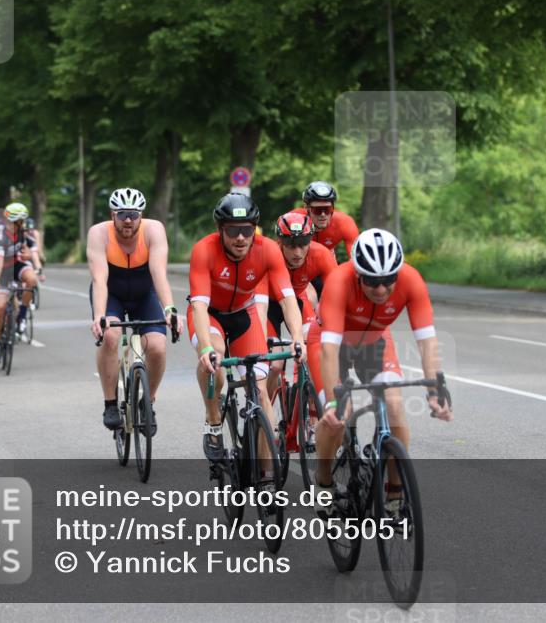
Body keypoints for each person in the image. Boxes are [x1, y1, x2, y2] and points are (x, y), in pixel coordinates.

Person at [306, 228, 452, 516]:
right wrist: (334, 402)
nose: (382, 289)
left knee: (396, 406)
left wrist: (435, 389)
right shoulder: (339, 282)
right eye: (373, 281)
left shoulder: (411, 280)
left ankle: (394, 496)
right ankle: (323, 482)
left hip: (375, 341)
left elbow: (427, 340)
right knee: (338, 417)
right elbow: (330, 349)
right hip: (329, 342)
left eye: (388, 281)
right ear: (358, 274)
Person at [188, 193, 304, 468]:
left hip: (244, 315)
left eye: (247, 231)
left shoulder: (268, 250)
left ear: (255, 229)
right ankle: (214, 419)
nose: (241, 238)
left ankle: (265, 476)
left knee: (261, 393)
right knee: (214, 357)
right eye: (233, 231)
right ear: (220, 231)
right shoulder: (204, 250)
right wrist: (205, 349)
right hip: (211, 316)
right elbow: (200, 307)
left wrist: (297, 337)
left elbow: (288, 299)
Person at [87, 188, 178, 433]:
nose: (129, 220)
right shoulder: (98, 233)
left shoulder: (154, 230)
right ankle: (110, 403)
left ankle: (147, 402)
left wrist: (169, 308)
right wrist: (99, 316)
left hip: (143, 295)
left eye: (134, 214)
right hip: (112, 294)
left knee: (158, 347)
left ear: (141, 215)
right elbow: (99, 279)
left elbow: (159, 274)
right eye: (123, 214)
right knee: (110, 335)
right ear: (112, 215)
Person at [261, 212, 337, 406]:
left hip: (299, 302)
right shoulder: (269, 254)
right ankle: (265, 415)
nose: (297, 252)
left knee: (314, 358)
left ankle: (311, 418)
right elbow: (257, 301)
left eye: (303, 244)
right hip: (270, 306)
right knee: (275, 366)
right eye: (291, 245)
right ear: (280, 241)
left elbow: (336, 298)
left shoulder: (321, 255)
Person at [0, 203, 41, 362]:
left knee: (32, 279)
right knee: (0, 308)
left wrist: (29, 256)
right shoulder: (0, 236)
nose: (23, 223)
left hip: (16, 266)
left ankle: (22, 316)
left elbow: (31, 251)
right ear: (14, 221)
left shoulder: (22, 233)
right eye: (21, 221)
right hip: (2, 270)